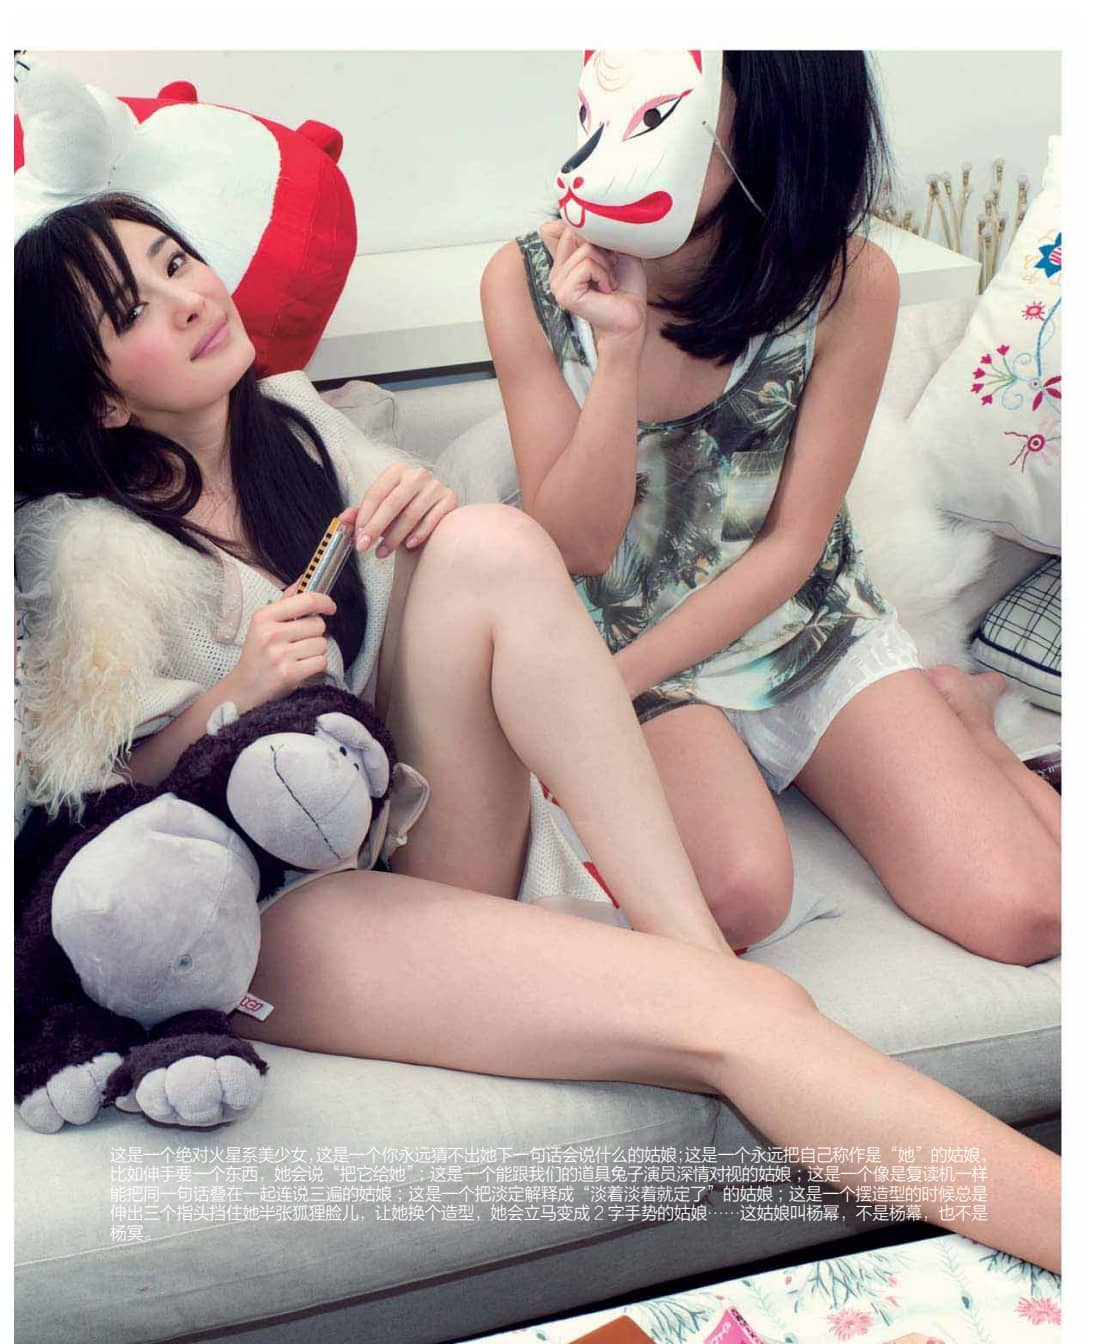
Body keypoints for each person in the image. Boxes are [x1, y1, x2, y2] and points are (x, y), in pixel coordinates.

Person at [14, 193, 1059, 1273]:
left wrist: (422, 521)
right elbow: (79, 796)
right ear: (99, 396)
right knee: (748, 1018)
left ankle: (688, 941)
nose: (188, 299)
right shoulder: (81, 545)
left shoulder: (296, 430)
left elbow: (426, 648)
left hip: (400, 827)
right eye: (133, 310)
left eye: (178, 262)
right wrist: (231, 694)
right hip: (272, 909)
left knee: (493, 542)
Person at [480, 49, 1061, 960]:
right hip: (623, 644)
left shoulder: (848, 282)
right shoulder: (525, 280)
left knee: (1029, 917)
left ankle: (966, 724)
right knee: (734, 898)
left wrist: (602, 697)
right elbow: (579, 546)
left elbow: (792, 545)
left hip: (799, 622)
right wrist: (617, 352)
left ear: (768, 121)